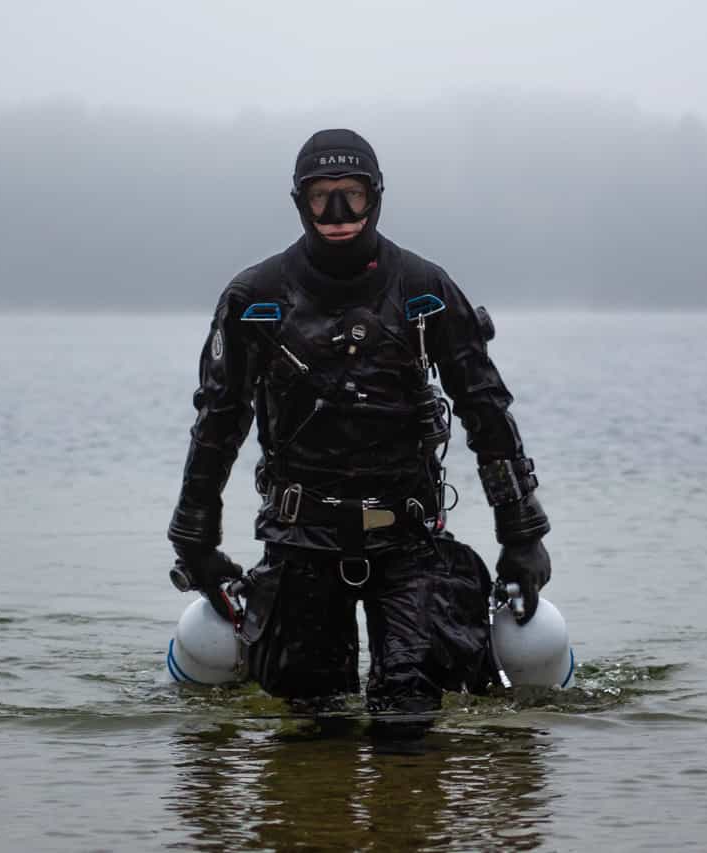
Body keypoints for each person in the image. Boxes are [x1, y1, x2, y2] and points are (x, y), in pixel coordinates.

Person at [168, 128, 552, 719]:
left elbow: (486, 409)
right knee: (311, 720)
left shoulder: (425, 291)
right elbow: (217, 424)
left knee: (409, 716)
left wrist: (522, 535)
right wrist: (194, 541)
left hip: (409, 537)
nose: (339, 213)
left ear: (377, 196)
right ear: (299, 201)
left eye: (352, 194)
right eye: (322, 197)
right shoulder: (255, 298)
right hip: (298, 540)